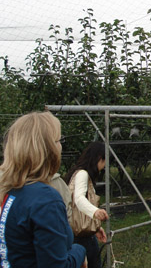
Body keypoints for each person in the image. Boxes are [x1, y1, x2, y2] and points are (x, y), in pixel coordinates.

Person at [0, 111, 87, 268]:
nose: (61, 146)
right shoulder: (45, 199)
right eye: (59, 140)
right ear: (48, 149)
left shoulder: (10, 191)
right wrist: (79, 251)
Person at [65, 141, 109, 268]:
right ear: (99, 158)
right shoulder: (82, 174)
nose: (104, 165)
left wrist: (95, 227)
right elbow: (79, 199)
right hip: (80, 237)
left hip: (83, 234)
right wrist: (95, 212)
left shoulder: (79, 174)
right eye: (104, 161)